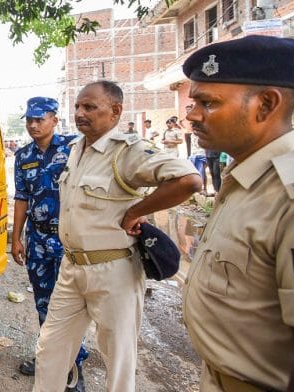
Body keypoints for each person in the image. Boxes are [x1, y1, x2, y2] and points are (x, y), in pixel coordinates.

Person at [33, 81, 201, 392]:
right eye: (78, 106)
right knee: (50, 349)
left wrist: (137, 210)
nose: (80, 113)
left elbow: (188, 180)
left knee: (118, 360)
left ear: (115, 111)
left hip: (113, 272)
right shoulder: (75, 150)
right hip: (71, 269)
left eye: (90, 107)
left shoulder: (128, 151)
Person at [181, 35, 294, 391]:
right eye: (192, 103)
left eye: (208, 102)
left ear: (265, 104)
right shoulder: (246, 178)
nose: (193, 115)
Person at [11, 97, 88, 392]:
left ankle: (74, 366)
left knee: (72, 306)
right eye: (29, 120)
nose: (33, 125)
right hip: (39, 240)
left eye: (39, 119)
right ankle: (50, 358)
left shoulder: (74, 147)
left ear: (55, 120)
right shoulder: (23, 155)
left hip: (70, 239)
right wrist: (16, 237)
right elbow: (21, 198)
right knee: (44, 305)